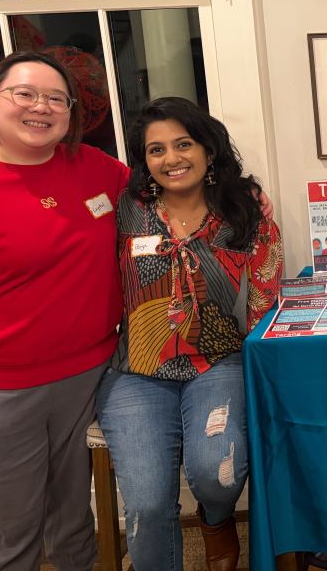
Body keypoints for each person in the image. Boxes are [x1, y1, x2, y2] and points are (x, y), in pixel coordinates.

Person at [96, 97, 283, 571]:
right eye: (156, 150)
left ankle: (216, 519)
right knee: (146, 505)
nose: (171, 158)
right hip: (136, 370)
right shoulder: (124, 210)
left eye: (183, 144)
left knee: (218, 472)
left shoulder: (244, 212)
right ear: (144, 161)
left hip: (217, 361)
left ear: (208, 149)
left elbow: (264, 300)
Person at [0, 51, 129, 569]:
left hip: (91, 378)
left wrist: (242, 195)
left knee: (75, 526)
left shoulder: (97, 169)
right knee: (9, 540)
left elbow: (169, 197)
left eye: (57, 98)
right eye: (25, 94)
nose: (41, 107)